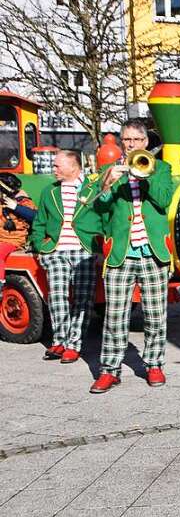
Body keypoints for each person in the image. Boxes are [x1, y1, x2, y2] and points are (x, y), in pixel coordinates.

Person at [89, 119, 175, 393]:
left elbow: (164, 200)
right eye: (126, 140)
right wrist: (109, 182)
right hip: (120, 253)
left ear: (145, 143)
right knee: (114, 315)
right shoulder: (109, 170)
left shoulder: (161, 168)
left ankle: (154, 364)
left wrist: (145, 176)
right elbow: (98, 207)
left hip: (153, 252)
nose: (131, 145)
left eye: (136, 141)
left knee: (155, 314)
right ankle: (109, 370)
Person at [30, 151, 97, 365]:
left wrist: (100, 247)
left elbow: (104, 218)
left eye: (58, 166)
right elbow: (39, 222)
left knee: (82, 298)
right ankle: (60, 340)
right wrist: (40, 247)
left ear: (74, 167)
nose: (54, 169)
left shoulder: (92, 188)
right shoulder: (49, 191)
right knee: (57, 296)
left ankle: (74, 344)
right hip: (56, 251)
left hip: (84, 250)